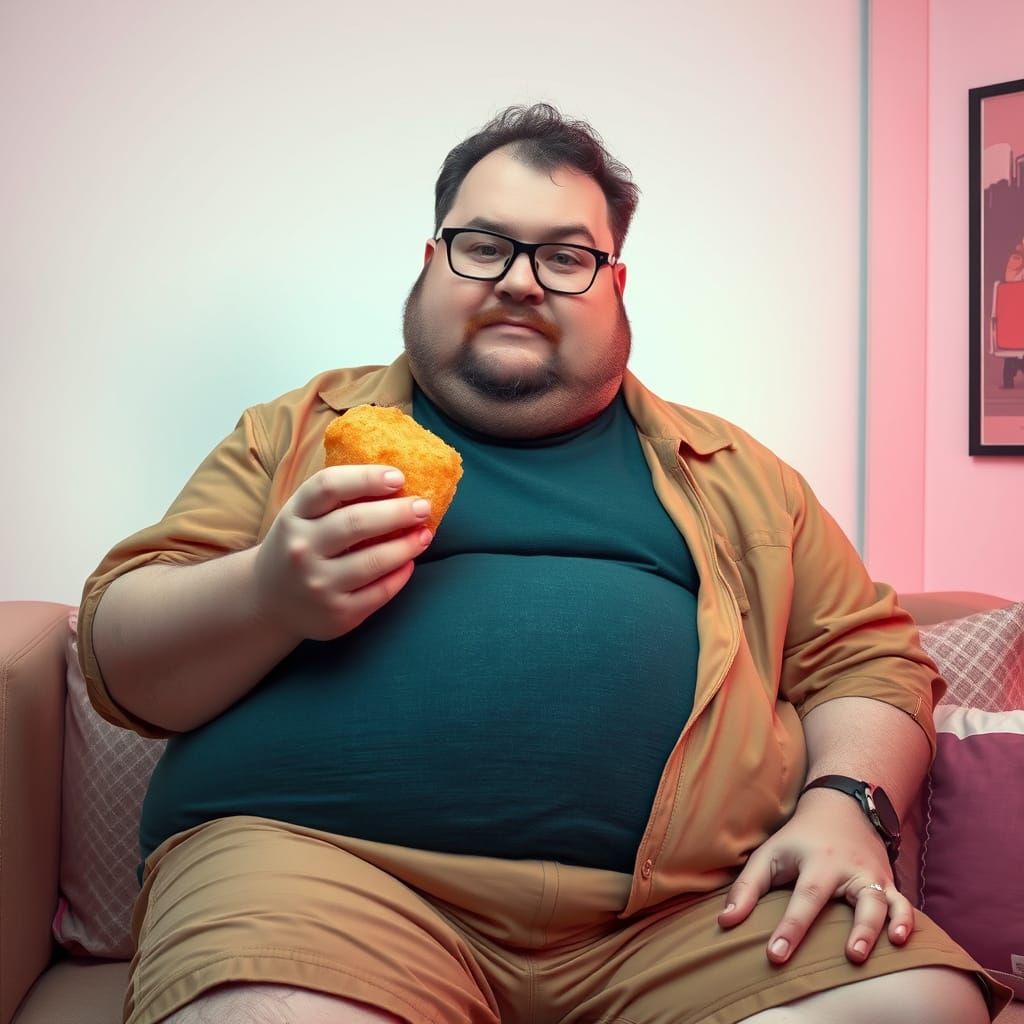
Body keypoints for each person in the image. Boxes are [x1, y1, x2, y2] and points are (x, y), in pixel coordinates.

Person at [79, 104, 1012, 1024]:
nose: (521, 281)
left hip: (687, 916)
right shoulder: (291, 433)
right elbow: (124, 666)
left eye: (566, 257)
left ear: (616, 283)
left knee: (915, 1000)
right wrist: (268, 593)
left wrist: (845, 805)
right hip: (322, 885)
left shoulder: (745, 478)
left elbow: (867, 661)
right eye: (483, 244)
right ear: (430, 260)